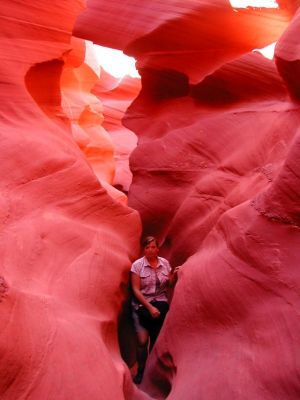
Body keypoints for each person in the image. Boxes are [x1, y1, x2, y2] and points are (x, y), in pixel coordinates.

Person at [130, 236, 179, 384]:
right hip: (142, 306)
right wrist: (149, 307)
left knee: (157, 341)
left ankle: (152, 373)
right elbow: (135, 290)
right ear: (143, 249)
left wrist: (174, 275)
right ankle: (141, 370)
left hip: (160, 305)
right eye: (147, 247)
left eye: (153, 247)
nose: (150, 250)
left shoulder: (165, 263)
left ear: (158, 248)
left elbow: (169, 285)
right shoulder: (137, 266)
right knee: (142, 342)